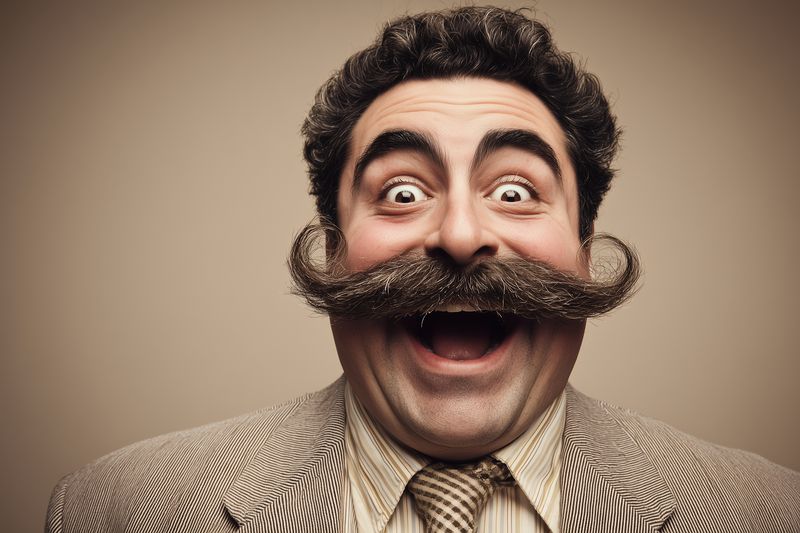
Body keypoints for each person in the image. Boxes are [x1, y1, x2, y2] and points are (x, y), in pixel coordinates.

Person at [45, 6, 799, 532]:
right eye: (402, 191)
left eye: (515, 190)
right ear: (334, 248)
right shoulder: (115, 509)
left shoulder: (767, 514)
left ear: (583, 243)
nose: (462, 233)